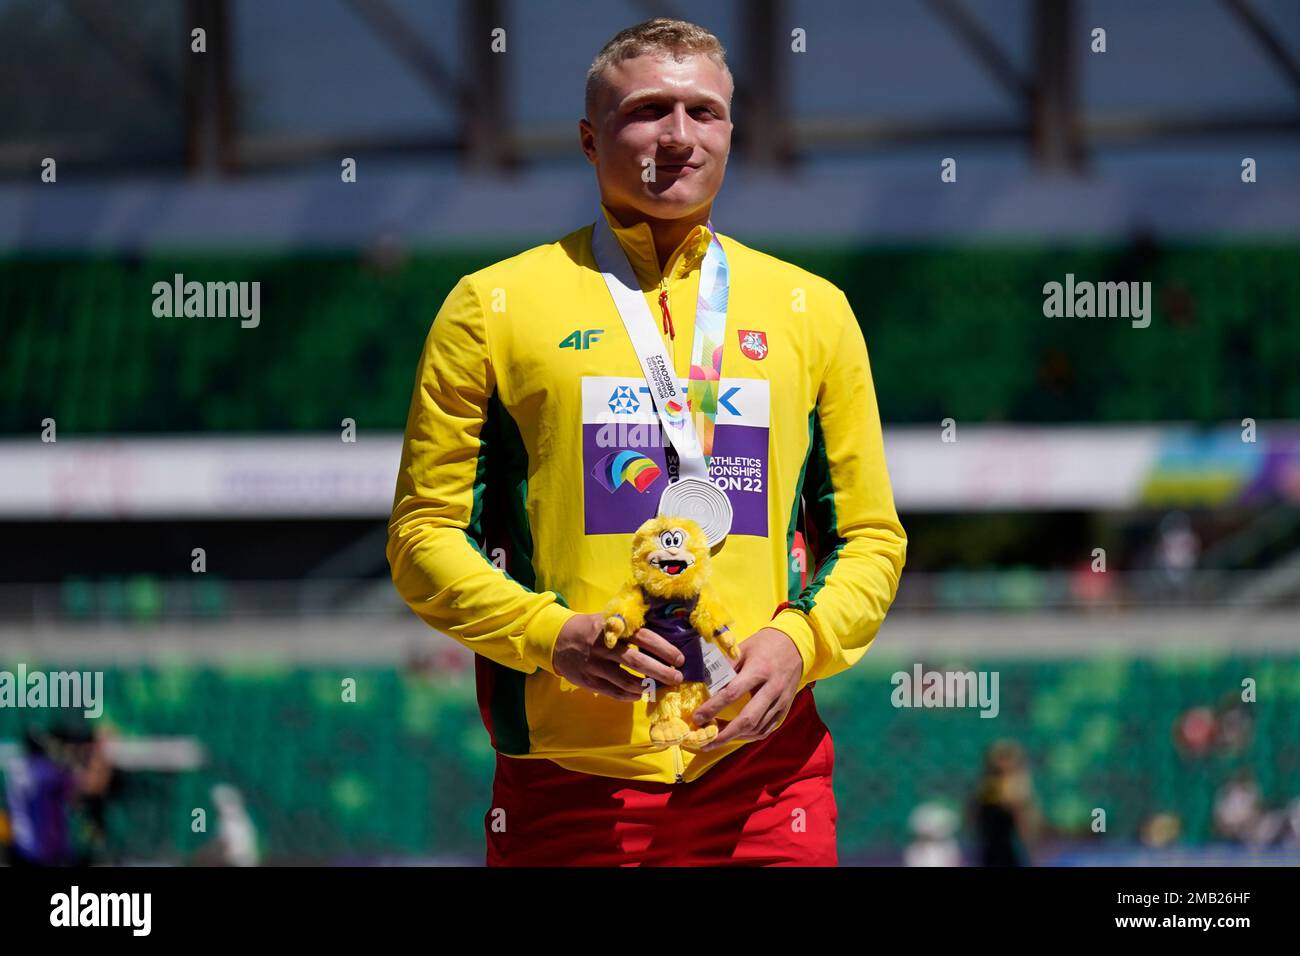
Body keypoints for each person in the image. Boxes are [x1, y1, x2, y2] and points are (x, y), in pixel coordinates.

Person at [387, 17, 906, 866]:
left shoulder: (813, 311)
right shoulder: (491, 308)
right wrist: (549, 635)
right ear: (591, 140)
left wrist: (798, 643)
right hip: (567, 779)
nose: (678, 135)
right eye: (647, 111)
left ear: (732, 131)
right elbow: (421, 539)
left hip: (766, 778)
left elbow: (871, 539)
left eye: (705, 112)